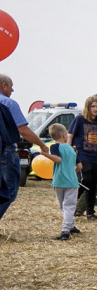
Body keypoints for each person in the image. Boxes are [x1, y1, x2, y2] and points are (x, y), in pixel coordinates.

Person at [0, 74, 57, 224]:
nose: (12, 89)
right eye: (11, 86)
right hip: (5, 151)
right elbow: (23, 130)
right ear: (3, 86)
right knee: (8, 192)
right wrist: (42, 145)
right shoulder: (8, 103)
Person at [68, 94, 97, 220]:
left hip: (93, 157)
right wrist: (69, 154)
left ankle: (90, 212)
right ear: (88, 107)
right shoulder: (80, 119)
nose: (95, 109)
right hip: (80, 156)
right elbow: (70, 136)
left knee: (92, 184)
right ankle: (70, 206)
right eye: (93, 106)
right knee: (84, 181)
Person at [39, 124, 81, 240]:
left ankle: (66, 229)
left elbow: (58, 159)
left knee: (63, 206)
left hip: (59, 181)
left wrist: (45, 154)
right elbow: (80, 166)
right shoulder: (72, 149)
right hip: (72, 182)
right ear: (64, 135)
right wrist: (73, 172)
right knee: (69, 206)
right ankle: (69, 226)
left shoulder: (55, 147)